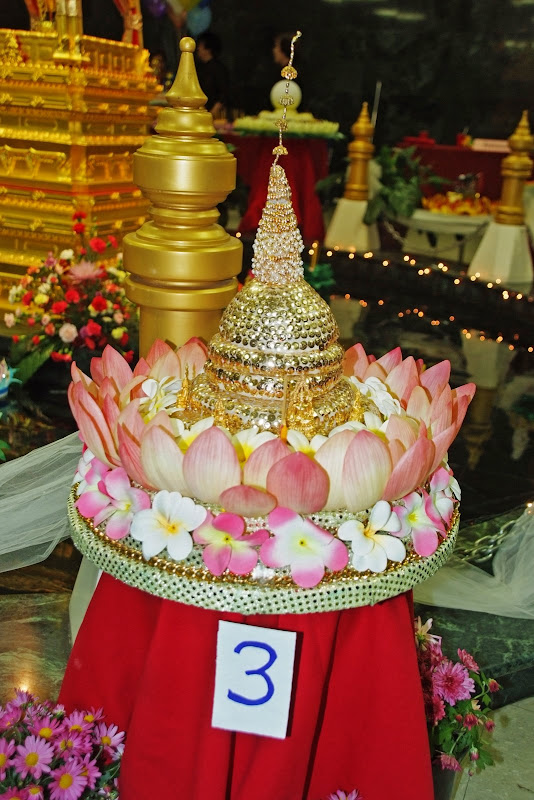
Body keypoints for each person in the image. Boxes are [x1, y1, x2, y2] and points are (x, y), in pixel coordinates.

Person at [195, 31, 230, 119]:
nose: (198, 48)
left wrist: (212, 113)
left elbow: (224, 93)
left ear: (208, 49)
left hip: (216, 116)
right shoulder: (200, 68)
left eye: (200, 45)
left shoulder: (218, 69)